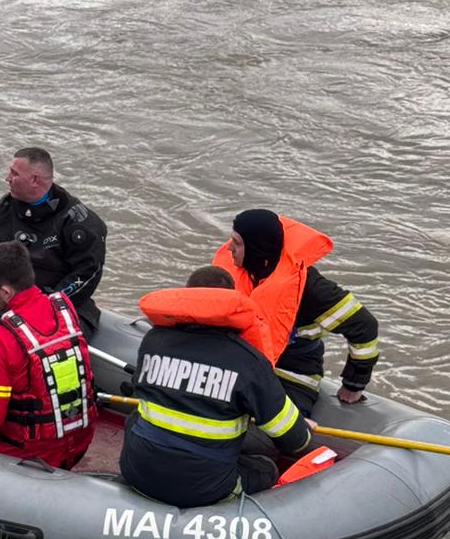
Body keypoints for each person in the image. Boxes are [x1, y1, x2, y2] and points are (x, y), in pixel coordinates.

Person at [120, 265, 313, 506]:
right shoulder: (247, 359)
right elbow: (295, 441)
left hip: (137, 472)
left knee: (135, 420)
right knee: (266, 468)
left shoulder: (153, 341)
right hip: (203, 488)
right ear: (231, 304)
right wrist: (304, 428)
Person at [0, 240, 97, 470]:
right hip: (78, 445)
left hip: (29, 454)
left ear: (5, 292)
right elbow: (42, 365)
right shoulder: (63, 307)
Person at [0, 147, 107, 369]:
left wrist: (45, 304)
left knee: (51, 347)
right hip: (5, 296)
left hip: (53, 303)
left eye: (14, 173)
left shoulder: (80, 223)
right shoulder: (7, 206)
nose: (7, 178)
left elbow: (87, 274)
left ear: (34, 180)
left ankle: (26, 381)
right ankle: (0, 374)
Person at [212, 209, 380, 417]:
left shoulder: (310, 289)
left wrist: (354, 384)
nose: (229, 248)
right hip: (238, 363)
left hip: (292, 372)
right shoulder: (229, 273)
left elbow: (365, 326)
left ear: (257, 249)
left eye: (237, 243)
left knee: (279, 428)